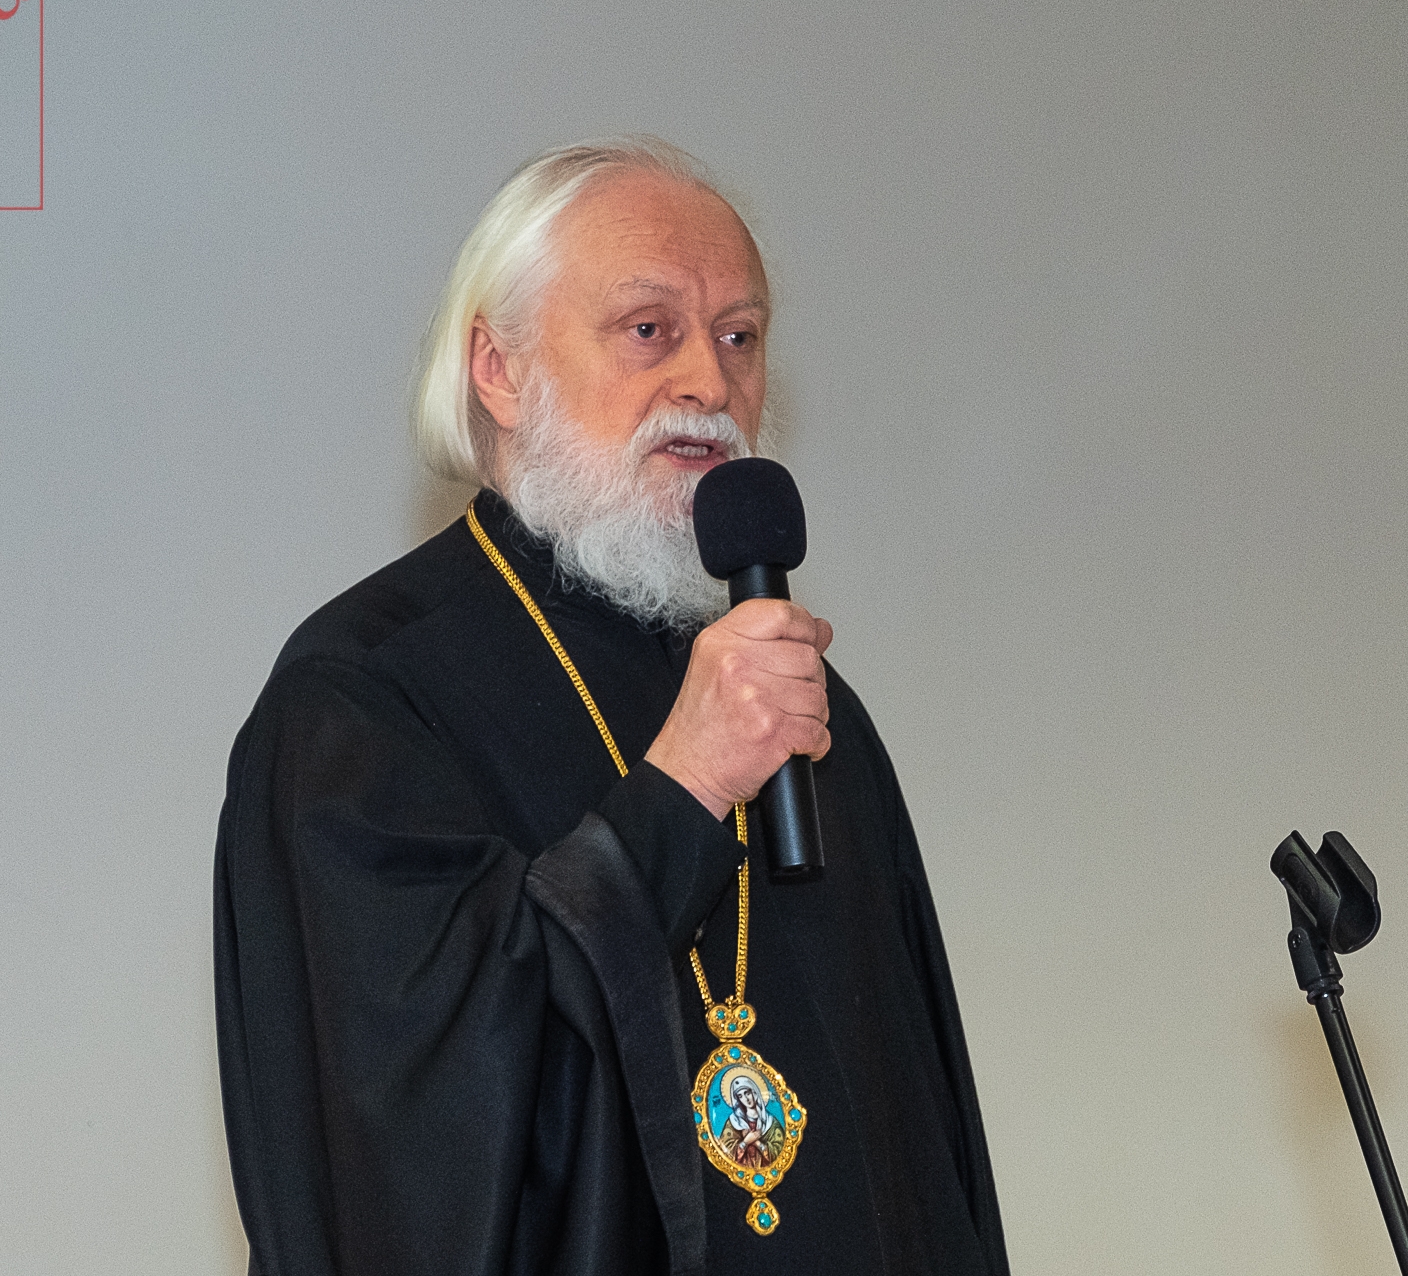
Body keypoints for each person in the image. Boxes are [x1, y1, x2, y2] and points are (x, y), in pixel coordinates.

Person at [213, 137, 1008, 1276]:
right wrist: (681, 790)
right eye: (648, 329)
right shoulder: (363, 699)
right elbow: (409, 1148)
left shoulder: (800, 703)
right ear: (498, 369)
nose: (708, 385)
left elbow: (922, 1144)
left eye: (738, 337)